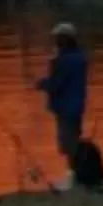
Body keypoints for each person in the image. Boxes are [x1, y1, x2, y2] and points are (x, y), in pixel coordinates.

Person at [32, 21, 89, 172]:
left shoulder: (63, 60)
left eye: (58, 38)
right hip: (77, 106)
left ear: (65, 39)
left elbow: (56, 83)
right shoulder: (80, 57)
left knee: (68, 144)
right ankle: (77, 173)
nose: (55, 41)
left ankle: (74, 174)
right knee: (73, 140)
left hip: (65, 107)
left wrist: (40, 84)